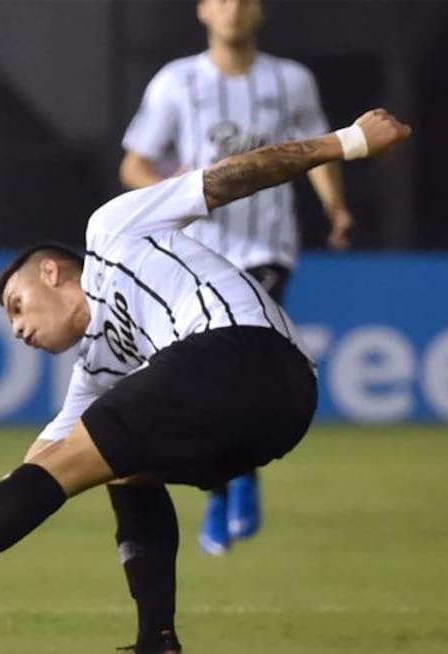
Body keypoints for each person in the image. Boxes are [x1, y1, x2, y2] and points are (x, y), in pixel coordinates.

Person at [0, 109, 410, 654]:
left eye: (17, 305)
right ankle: (158, 640)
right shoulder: (99, 369)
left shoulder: (111, 230)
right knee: (121, 468)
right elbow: (31, 478)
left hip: (242, 354)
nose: (17, 329)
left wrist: (348, 142)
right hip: (284, 411)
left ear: (52, 272)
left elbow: (229, 177)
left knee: (94, 457)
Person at [119, 0, 354, 555]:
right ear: (203, 10)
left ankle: (235, 477)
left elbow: (317, 150)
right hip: (195, 254)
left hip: (266, 247)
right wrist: (168, 194)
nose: (234, 10)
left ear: (260, 11)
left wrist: (336, 209)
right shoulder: (177, 81)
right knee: (207, 379)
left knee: (238, 364)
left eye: (245, 0)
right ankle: (229, 479)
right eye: (222, 0)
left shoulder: (290, 80)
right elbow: (134, 163)